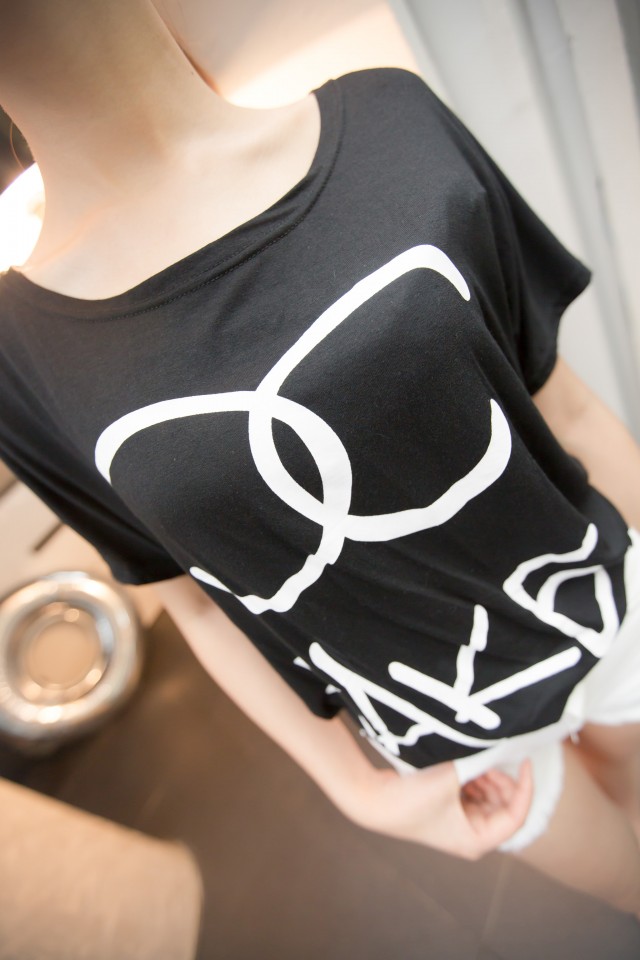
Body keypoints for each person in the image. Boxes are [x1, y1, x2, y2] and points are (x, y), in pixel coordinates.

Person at [1, 0, 640, 921]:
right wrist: (355, 786)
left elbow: (561, 401)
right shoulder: (19, 361)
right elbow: (193, 600)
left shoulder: (390, 122)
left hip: (596, 597)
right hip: (445, 719)